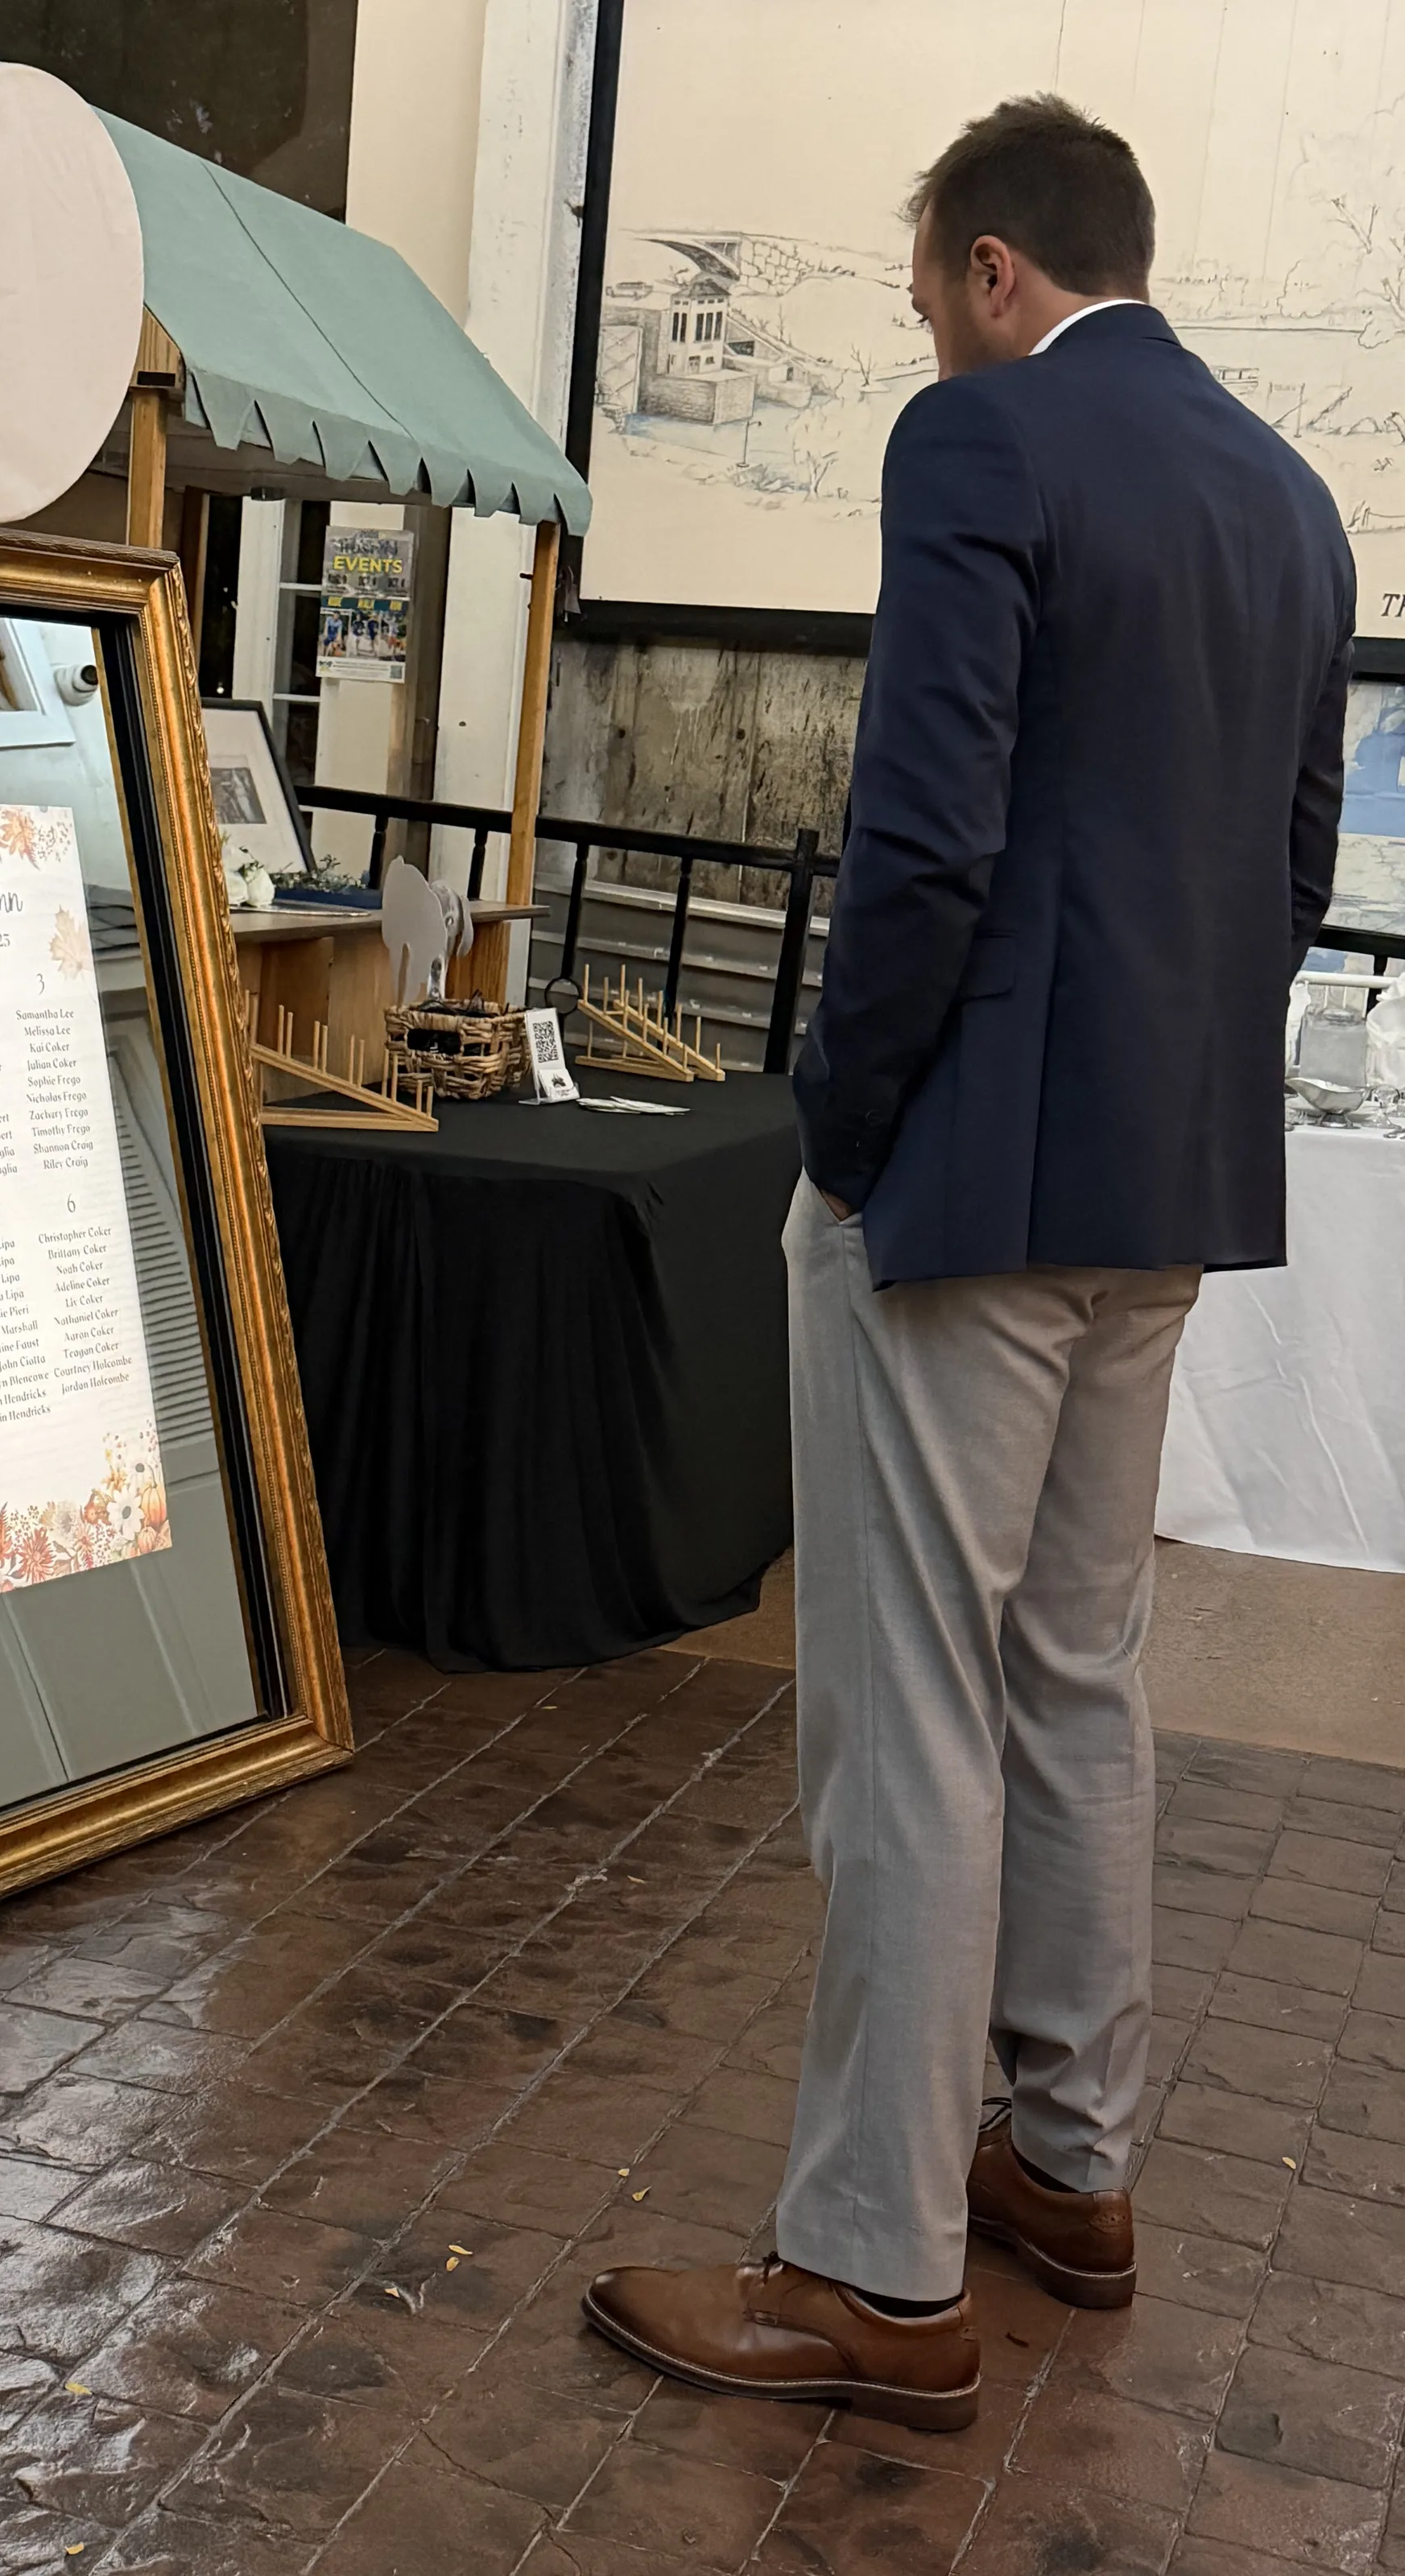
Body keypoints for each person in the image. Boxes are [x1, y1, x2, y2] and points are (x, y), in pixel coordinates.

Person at [584, 94, 1353, 2430]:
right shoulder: (1298, 508)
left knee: (908, 1705)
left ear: (1000, 270)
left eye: (931, 291)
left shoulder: (984, 448)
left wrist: (844, 1129)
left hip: (976, 1182)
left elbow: (918, 838)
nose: (930, 331)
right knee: (1083, 1676)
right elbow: (1296, 865)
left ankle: (873, 2268)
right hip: (1167, 1180)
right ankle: (1072, 2171)